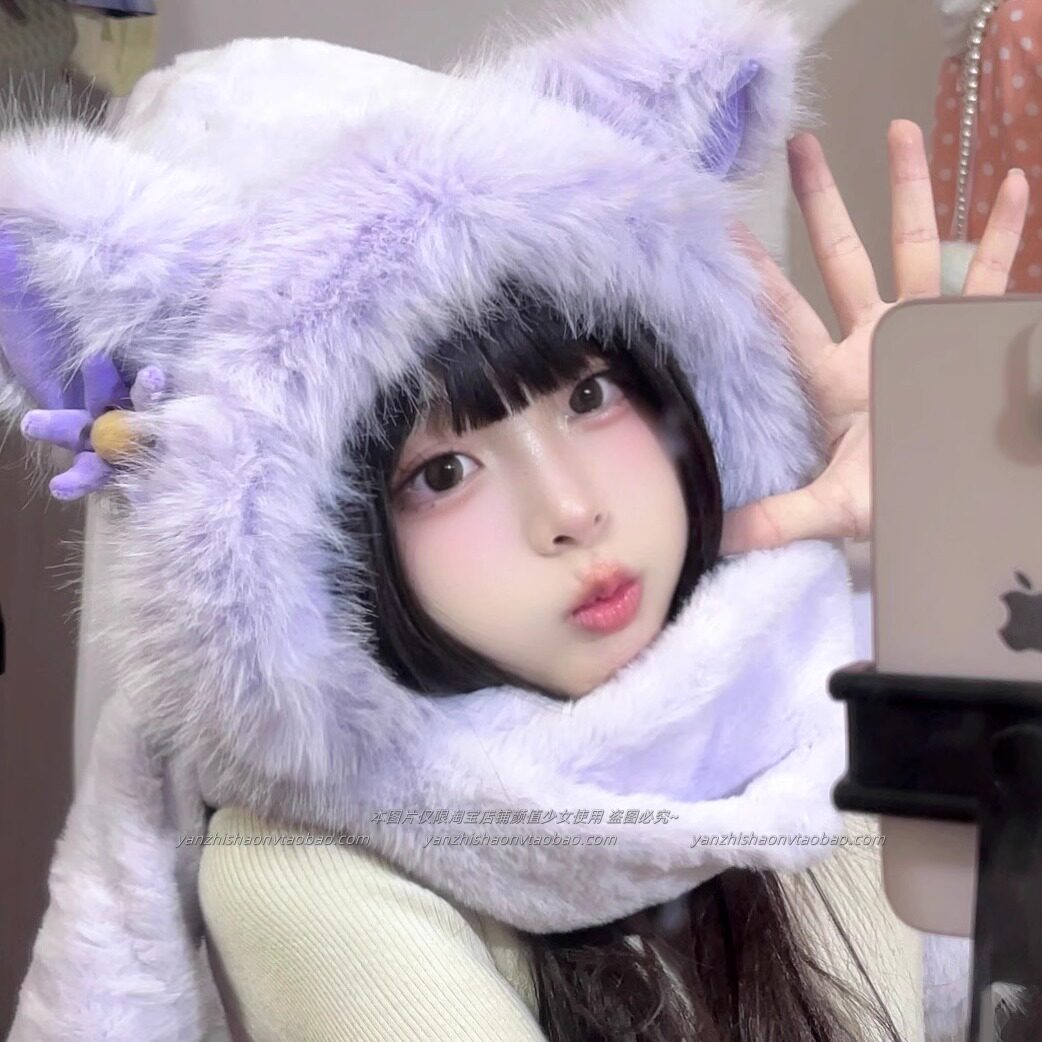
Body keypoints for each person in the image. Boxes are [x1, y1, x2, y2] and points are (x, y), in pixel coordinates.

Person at [0, 4, 1027, 1041]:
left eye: (589, 396)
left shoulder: (813, 688)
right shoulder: (308, 874)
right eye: (443, 472)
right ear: (313, 565)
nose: (570, 511)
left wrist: (966, 553)